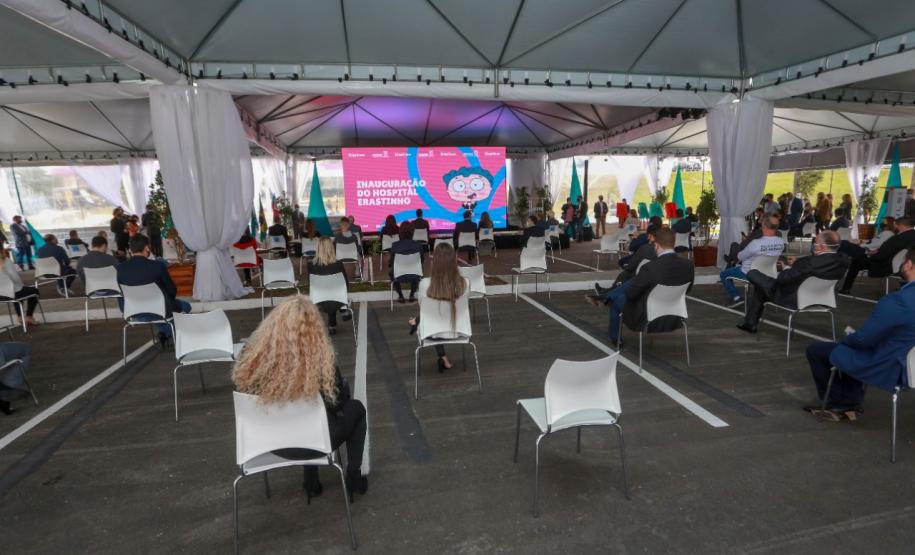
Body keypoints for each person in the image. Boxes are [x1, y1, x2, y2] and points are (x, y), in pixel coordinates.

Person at [232, 295, 368, 500]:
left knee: (299, 410)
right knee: (355, 409)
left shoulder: (255, 362)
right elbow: (338, 403)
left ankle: (311, 479)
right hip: (314, 441)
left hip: (269, 442)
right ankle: (354, 476)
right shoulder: (322, 363)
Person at [805, 248, 915, 421]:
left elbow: (865, 340)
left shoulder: (898, 300)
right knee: (853, 347)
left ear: (908, 264)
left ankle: (837, 404)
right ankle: (849, 402)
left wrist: (849, 339)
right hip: (907, 358)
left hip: (891, 364)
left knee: (819, 350)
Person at [737, 231, 849, 333]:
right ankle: (750, 324)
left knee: (753, 273)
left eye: (815, 242)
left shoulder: (808, 263)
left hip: (793, 298)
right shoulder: (843, 260)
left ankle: (750, 324)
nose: (813, 244)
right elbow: (820, 263)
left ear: (821, 247)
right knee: (761, 287)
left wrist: (787, 267)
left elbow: (783, 279)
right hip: (823, 299)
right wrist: (797, 263)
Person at [607, 228, 694, 347]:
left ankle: (615, 338)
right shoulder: (689, 265)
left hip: (647, 316)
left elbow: (631, 295)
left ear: (657, 245)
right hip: (675, 316)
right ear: (673, 243)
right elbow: (687, 290)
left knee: (617, 301)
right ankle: (606, 296)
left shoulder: (649, 267)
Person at [116, 234, 191, 346]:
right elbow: (171, 291)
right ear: (147, 247)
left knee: (157, 312)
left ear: (131, 249)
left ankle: (164, 332)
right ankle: (168, 332)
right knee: (185, 306)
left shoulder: (120, 269)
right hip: (159, 308)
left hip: (134, 311)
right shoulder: (157, 266)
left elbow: (120, 293)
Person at [407, 242, 466, 372]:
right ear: (454, 259)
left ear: (435, 260)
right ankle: (415, 321)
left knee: (431, 315)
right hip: (459, 331)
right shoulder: (464, 283)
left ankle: (415, 321)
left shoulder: (425, 284)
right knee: (439, 312)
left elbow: (423, 308)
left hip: (433, 332)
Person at [839, 217, 915, 294]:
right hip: (897, 264)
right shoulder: (910, 236)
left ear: (902, 225)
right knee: (853, 253)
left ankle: (845, 288)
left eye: (896, 225)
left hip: (883, 266)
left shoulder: (899, 238)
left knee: (855, 261)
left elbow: (881, 256)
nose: (895, 227)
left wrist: (869, 255)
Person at [719, 217, 784, 304]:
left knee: (724, 274)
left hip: (749, 273)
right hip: (769, 273)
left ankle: (736, 296)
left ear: (764, 226)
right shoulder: (781, 242)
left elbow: (740, 256)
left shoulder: (756, 243)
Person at [309, 237, 351, 335]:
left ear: (318, 248)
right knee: (334, 291)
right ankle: (342, 309)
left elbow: (312, 284)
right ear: (332, 248)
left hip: (318, 300)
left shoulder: (311, 265)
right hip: (337, 299)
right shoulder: (338, 264)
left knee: (327, 292)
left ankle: (333, 324)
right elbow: (345, 284)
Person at [0, 245, 40, 327]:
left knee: (17, 291)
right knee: (34, 291)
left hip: (1, 295)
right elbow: (15, 277)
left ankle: (20, 317)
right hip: (11, 293)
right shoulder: (6, 260)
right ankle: (29, 316)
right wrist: (21, 285)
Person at [390, 221, 424, 303]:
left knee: (391, 272)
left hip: (398, 276)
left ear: (400, 232)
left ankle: (400, 296)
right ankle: (412, 295)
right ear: (412, 232)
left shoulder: (395, 245)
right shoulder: (418, 245)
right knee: (418, 268)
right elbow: (422, 260)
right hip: (415, 276)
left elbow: (391, 262)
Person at [0, 342, 32, 415]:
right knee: (7, 386)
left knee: (8, 384)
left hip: (22, 356)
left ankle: (4, 396)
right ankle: (4, 396)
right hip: (17, 354)